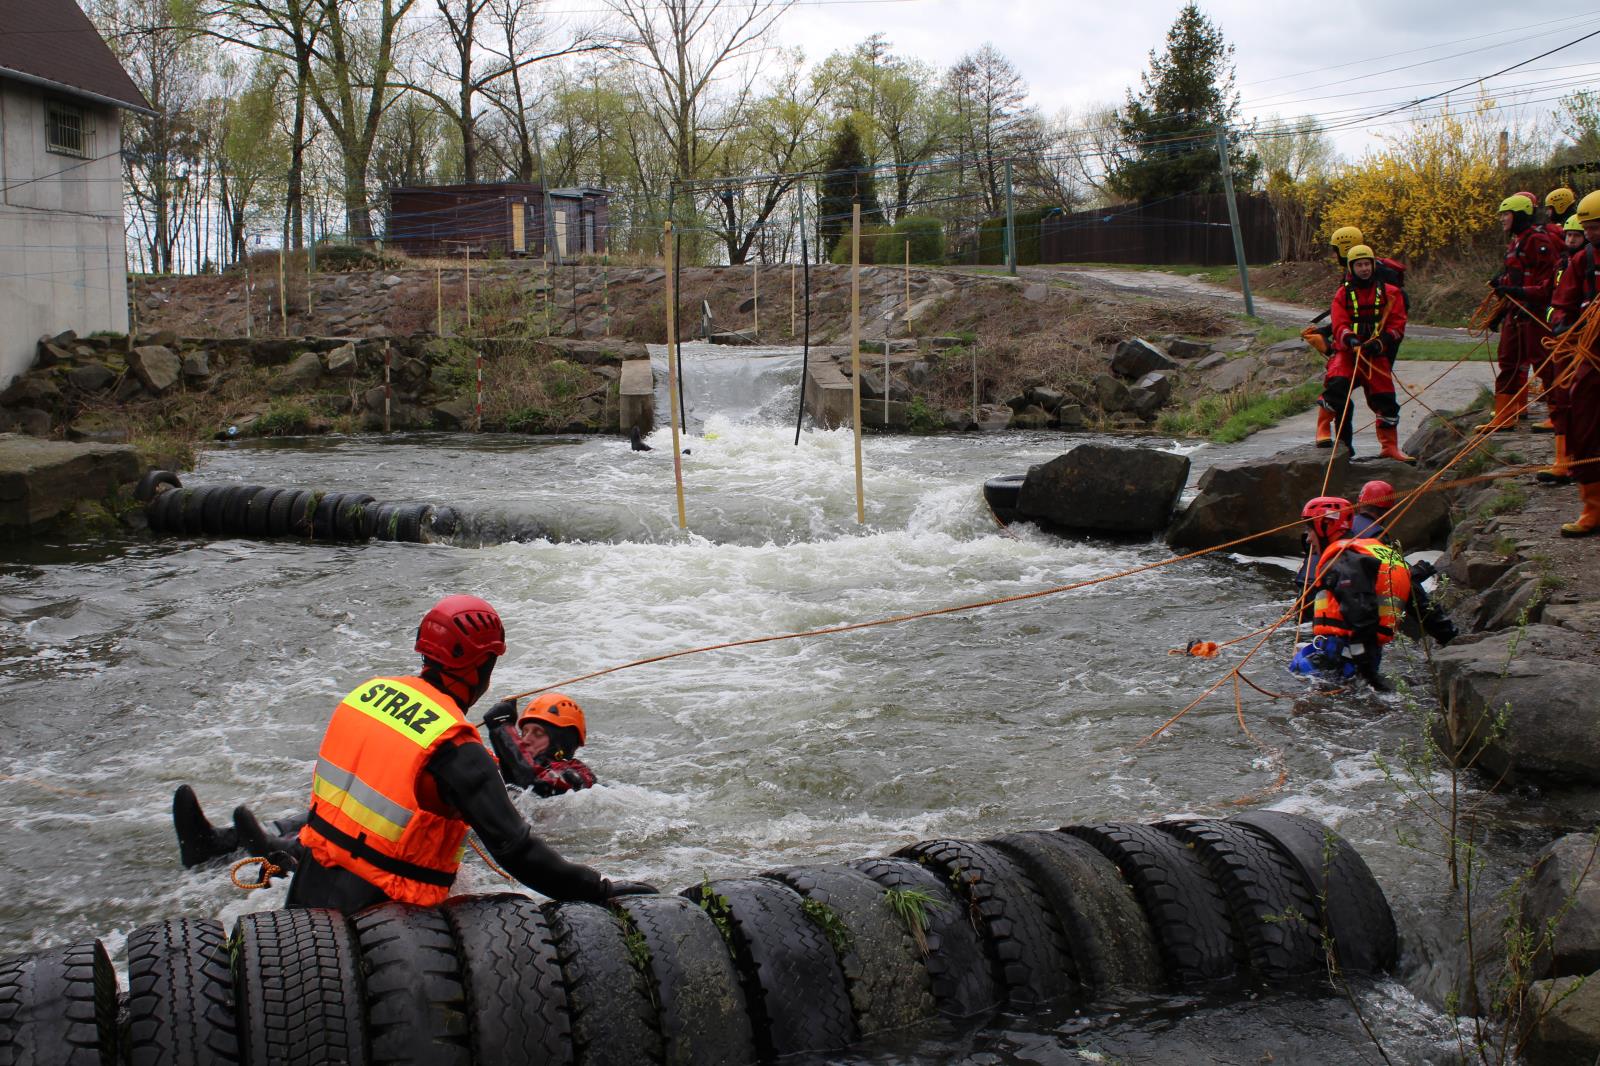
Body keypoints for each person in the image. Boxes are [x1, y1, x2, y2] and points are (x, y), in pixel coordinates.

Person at [179, 595, 652, 912]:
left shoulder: (367, 695)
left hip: (310, 890)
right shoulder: (456, 747)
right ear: (480, 666)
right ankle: (262, 850)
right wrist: (600, 890)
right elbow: (520, 853)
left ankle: (259, 853)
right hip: (383, 915)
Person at [172, 690, 600, 871]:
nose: (525, 737)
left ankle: (289, 852)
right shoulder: (498, 760)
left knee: (388, 819)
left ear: (563, 744)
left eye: (537, 732)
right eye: (523, 728)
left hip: (459, 848)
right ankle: (223, 843)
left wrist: (501, 726)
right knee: (356, 798)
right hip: (449, 831)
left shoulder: (575, 776)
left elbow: (534, 785)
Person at [1289, 497, 1415, 691]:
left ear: (1326, 526)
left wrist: (1366, 670)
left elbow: (1361, 613)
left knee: (1295, 674)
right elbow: (1418, 603)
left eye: (1310, 530)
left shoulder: (1343, 560)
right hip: (1361, 655)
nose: (1308, 538)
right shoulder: (1380, 552)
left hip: (1345, 658)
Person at [1479, 193, 1562, 432]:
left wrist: (1518, 291)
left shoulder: (1537, 241)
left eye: (1506, 214)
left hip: (1534, 312)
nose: (1502, 219)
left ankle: (1558, 416)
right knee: (1508, 360)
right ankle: (1504, 415)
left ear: (1519, 215)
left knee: (1544, 363)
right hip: (1516, 312)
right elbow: (1514, 275)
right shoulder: (1516, 241)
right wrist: (1501, 288)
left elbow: (1549, 284)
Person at [1325, 245, 1411, 461]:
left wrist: (1381, 342)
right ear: (1351, 268)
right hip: (1347, 353)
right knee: (1337, 389)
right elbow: (1338, 322)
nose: (1364, 269)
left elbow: (1397, 324)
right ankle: (1340, 445)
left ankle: (1389, 447)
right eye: (1359, 265)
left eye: (1367, 264)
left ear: (1373, 265)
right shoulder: (1342, 294)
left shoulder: (1391, 293)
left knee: (1386, 399)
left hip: (1375, 354)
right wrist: (1349, 338)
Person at [1549, 190, 1600, 535]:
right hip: (1592, 352)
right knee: (1584, 421)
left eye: (1595, 228)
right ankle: (1592, 507)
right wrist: (1562, 325)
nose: (1590, 234)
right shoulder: (1583, 260)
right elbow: (1563, 300)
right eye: (1587, 228)